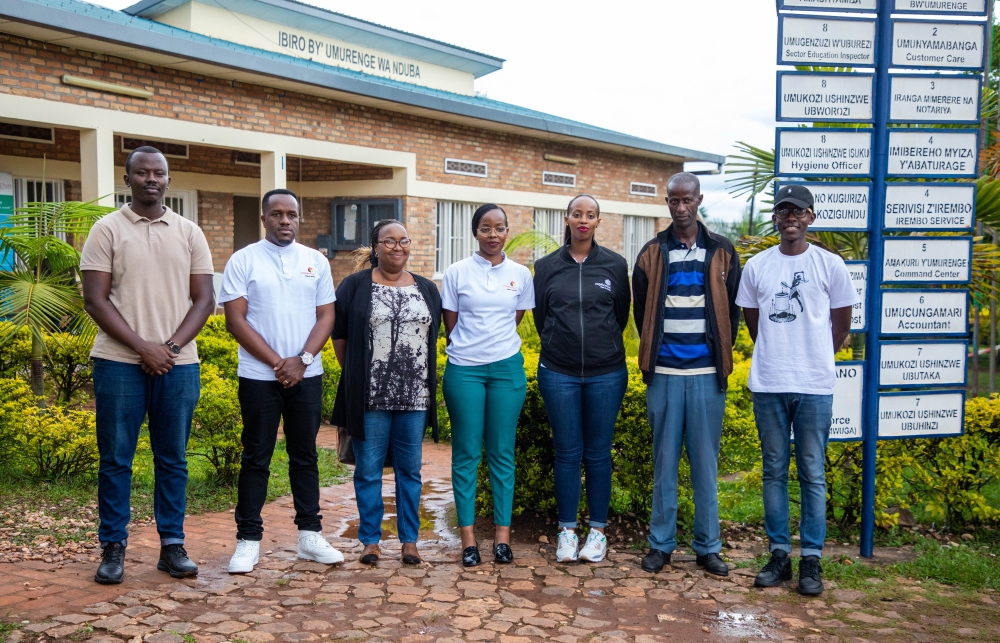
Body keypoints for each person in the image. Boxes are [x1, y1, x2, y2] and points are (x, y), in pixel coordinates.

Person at [81, 146, 215, 584]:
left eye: (159, 173)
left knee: (173, 458)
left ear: (168, 180)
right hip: (118, 363)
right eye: (142, 173)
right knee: (116, 458)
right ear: (128, 178)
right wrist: (144, 347)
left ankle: (172, 546)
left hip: (179, 364)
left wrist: (170, 347)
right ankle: (113, 547)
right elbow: (95, 300)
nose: (151, 179)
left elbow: (205, 300)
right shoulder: (106, 230)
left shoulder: (190, 231)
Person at [735, 184, 858, 596]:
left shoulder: (830, 265)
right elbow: (753, 323)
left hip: (813, 384)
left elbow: (841, 325)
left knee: (812, 472)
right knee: (774, 470)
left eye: (798, 211)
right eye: (783, 210)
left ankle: (812, 560)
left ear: (811, 217)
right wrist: (779, 350)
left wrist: (814, 352)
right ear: (775, 218)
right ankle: (778, 555)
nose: (791, 217)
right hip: (769, 381)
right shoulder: (757, 267)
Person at [219, 188, 343, 573]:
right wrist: (278, 363)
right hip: (258, 376)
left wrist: (302, 361)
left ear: (299, 218)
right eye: (277, 214)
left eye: (291, 214)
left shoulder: (315, 262)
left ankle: (309, 536)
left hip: (307, 374)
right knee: (256, 456)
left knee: (304, 455)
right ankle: (248, 539)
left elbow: (326, 315)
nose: (284, 220)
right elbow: (235, 320)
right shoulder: (243, 260)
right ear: (264, 218)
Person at [632, 172, 742, 576]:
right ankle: (660, 545)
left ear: (699, 200)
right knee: (664, 464)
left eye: (688, 201)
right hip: (663, 372)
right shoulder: (651, 253)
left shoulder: (723, 250)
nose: (681, 208)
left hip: (706, 373)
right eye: (674, 202)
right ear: (667, 203)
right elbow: (642, 309)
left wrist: (718, 354)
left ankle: (708, 547)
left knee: (705, 464)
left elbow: (731, 311)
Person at [331, 219, 442, 565]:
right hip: (370, 398)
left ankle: (410, 541)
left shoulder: (426, 289)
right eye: (389, 241)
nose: (397, 247)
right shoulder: (353, 286)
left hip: (415, 398)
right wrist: (357, 378)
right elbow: (340, 338)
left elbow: (431, 338)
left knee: (410, 471)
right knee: (368, 470)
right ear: (375, 246)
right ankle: (370, 541)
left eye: (404, 240)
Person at [533, 194, 630, 563]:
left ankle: (598, 533)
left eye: (590, 215)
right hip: (559, 372)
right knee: (567, 453)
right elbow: (542, 317)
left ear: (598, 221)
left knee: (599, 454)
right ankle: (567, 532)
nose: (583, 220)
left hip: (607, 372)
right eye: (578, 214)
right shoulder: (546, 267)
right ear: (568, 219)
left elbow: (620, 316)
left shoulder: (615, 265)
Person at [442, 204, 534, 567]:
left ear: (507, 232)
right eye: (485, 228)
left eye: (499, 228)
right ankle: (468, 541)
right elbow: (451, 322)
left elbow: (516, 317)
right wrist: (472, 348)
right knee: (466, 455)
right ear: (475, 232)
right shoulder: (456, 272)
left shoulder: (520, 274)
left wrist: (494, 348)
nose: (493, 234)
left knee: (502, 454)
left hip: (507, 370)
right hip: (464, 369)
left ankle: (501, 538)